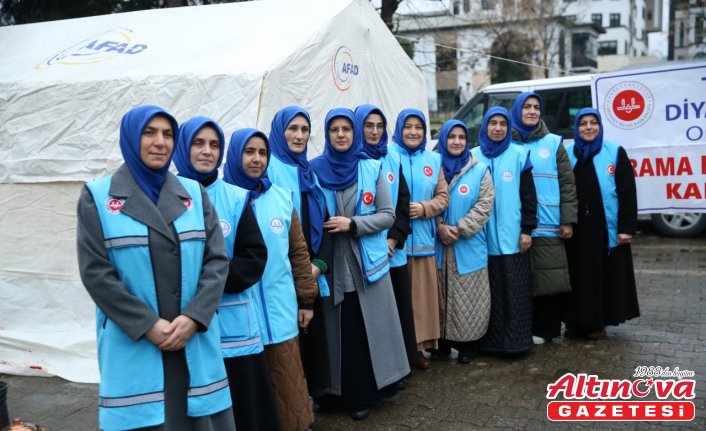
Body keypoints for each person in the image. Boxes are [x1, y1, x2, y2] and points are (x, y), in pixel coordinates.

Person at [76, 105, 235, 431]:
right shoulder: (99, 197)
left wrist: (194, 317)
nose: (160, 142)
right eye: (149, 133)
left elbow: (216, 261)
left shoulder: (193, 193)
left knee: (197, 415)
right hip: (137, 340)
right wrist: (147, 324)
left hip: (191, 337)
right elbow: (96, 272)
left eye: (167, 134)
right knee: (147, 418)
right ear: (131, 138)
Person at [173, 117, 280, 431]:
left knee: (244, 410)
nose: (207, 151)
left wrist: (204, 281)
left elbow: (253, 257)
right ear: (183, 148)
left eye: (214, 145)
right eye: (198, 143)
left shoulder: (235, 198)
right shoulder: (164, 198)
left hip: (233, 327)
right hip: (184, 324)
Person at [310, 108, 409, 420]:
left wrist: (352, 224)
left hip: (366, 265)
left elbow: (388, 215)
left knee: (364, 331)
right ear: (327, 134)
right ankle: (331, 393)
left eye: (346, 129)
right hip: (330, 265)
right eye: (334, 129)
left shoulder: (371, 167)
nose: (341, 134)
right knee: (333, 332)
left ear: (354, 133)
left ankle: (362, 395)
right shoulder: (313, 170)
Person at [224, 127, 317, 431]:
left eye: (262, 153)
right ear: (236, 155)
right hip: (239, 315)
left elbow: (299, 252)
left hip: (279, 308)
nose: (256, 159)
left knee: (288, 378)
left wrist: (306, 299)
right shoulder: (223, 199)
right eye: (249, 152)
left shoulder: (280, 197)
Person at [267, 106, 333, 399]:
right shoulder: (267, 168)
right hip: (282, 270)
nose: (299, 135)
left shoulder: (307, 171)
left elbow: (326, 220)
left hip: (310, 270)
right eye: (292, 129)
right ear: (280, 132)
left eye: (304, 130)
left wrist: (318, 264)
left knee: (311, 335)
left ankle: (311, 395)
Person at [562, 108, 640, 339]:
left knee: (600, 275)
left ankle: (597, 322)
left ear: (599, 126)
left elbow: (627, 193)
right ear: (576, 128)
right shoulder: (566, 153)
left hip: (603, 228)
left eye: (593, 122)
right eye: (583, 123)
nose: (588, 127)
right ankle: (574, 322)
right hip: (574, 229)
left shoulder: (615, 152)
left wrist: (626, 228)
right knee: (576, 275)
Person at [510, 92, 578, 345]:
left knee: (549, 280)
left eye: (536, 107)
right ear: (517, 110)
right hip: (517, 225)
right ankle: (524, 328)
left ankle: (547, 330)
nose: (532, 111)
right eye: (526, 107)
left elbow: (567, 184)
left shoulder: (553, 143)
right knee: (522, 281)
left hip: (549, 223)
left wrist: (567, 220)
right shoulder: (508, 143)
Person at [354, 104, 417, 373]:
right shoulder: (350, 160)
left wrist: (393, 240)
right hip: (365, 254)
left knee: (398, 314)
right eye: (369, 125)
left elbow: (403, 203)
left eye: (380, 126)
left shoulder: (393, 157)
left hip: (393, 252)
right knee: (374, 318)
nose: (375, 131)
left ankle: (401, 367)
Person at [471, 106, 537, 355]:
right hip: (481, 240)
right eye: (492, 123)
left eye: (503, 124)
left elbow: (529, 197)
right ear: (485, 126)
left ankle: (517, 342)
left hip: (513, 239)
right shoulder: (473, 156)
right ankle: (489, 344)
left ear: (509, 128)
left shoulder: (520, 154)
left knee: (516, 292)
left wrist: (527, 230)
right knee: (490, 295)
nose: (497, 128)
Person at [391, 108, 450, 369]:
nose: (413, 132)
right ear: (399, 129)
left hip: (424, 241)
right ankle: (400, 352)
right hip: (396, 245)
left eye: (419, 127)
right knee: (401, 302)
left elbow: (443, 197)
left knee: (422, 303)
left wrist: (424, 208)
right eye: (408, 126)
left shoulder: (433, 160)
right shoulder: (389, 156)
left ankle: (417, 351)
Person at [434, 119, 495, 364]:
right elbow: (425, 200)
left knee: (470, 299)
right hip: (437, 246)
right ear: (443, 139)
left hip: (468, 246)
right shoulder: (432, 166)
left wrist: (459, 229)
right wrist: (438, 227)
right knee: (439, 296)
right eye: (452, 137)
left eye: (461, 137)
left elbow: (484, 204)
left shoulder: (479, 170)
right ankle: (441, 346)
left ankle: (469, 347)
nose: (457, 141)